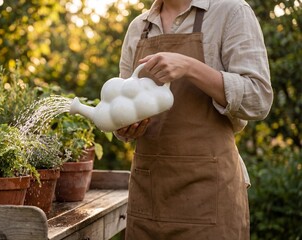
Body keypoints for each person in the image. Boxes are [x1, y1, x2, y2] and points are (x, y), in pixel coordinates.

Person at [115, 0, 273, 239]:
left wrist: (189, 66)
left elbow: (258, 98)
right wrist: (125, 127)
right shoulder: (139, 27)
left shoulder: (231, 12)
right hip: (147, 198)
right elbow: (121, 103)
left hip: (209, 197)